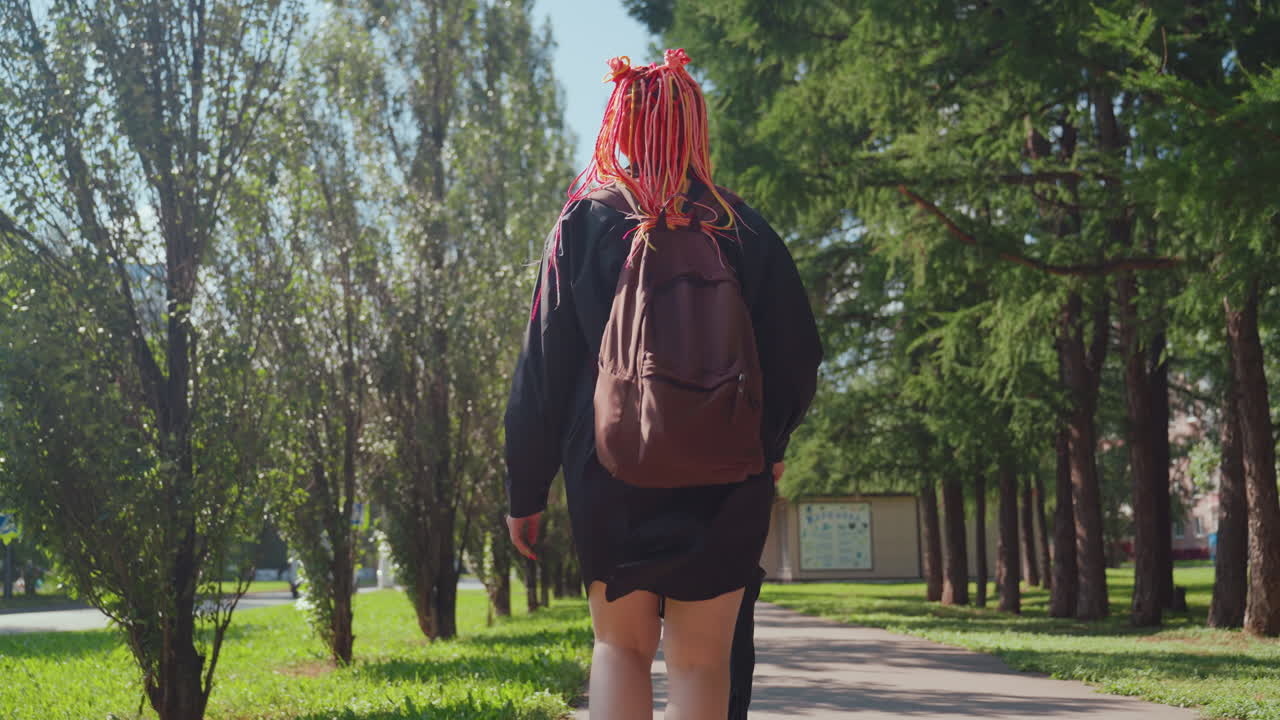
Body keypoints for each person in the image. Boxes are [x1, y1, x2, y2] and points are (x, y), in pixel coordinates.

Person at [504, 49, 821, 720]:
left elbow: (543, 370)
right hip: (728, 478)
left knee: (619, 649)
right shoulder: (745, 227)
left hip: (609, 473)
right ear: (695, 125)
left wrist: (525, 492)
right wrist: (770, 443)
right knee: (702, 664)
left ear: (619, 126)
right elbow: (798, 354)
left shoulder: (584, 225)